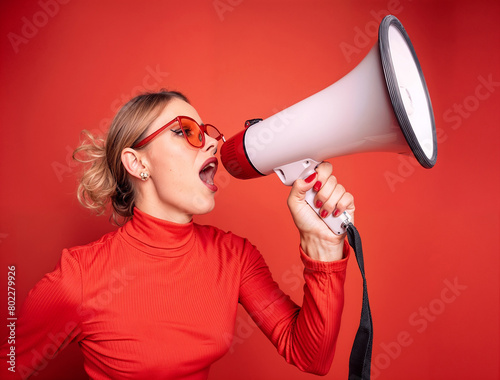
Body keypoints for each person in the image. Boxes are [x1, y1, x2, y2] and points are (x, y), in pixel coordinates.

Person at [0, 90, 355, 379]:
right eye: (186, 131)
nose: (214, 146)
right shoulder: (76, 277)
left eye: (208, 133)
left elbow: (311, 356)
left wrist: (324, 248)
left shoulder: (234, 255)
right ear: (138, 163)